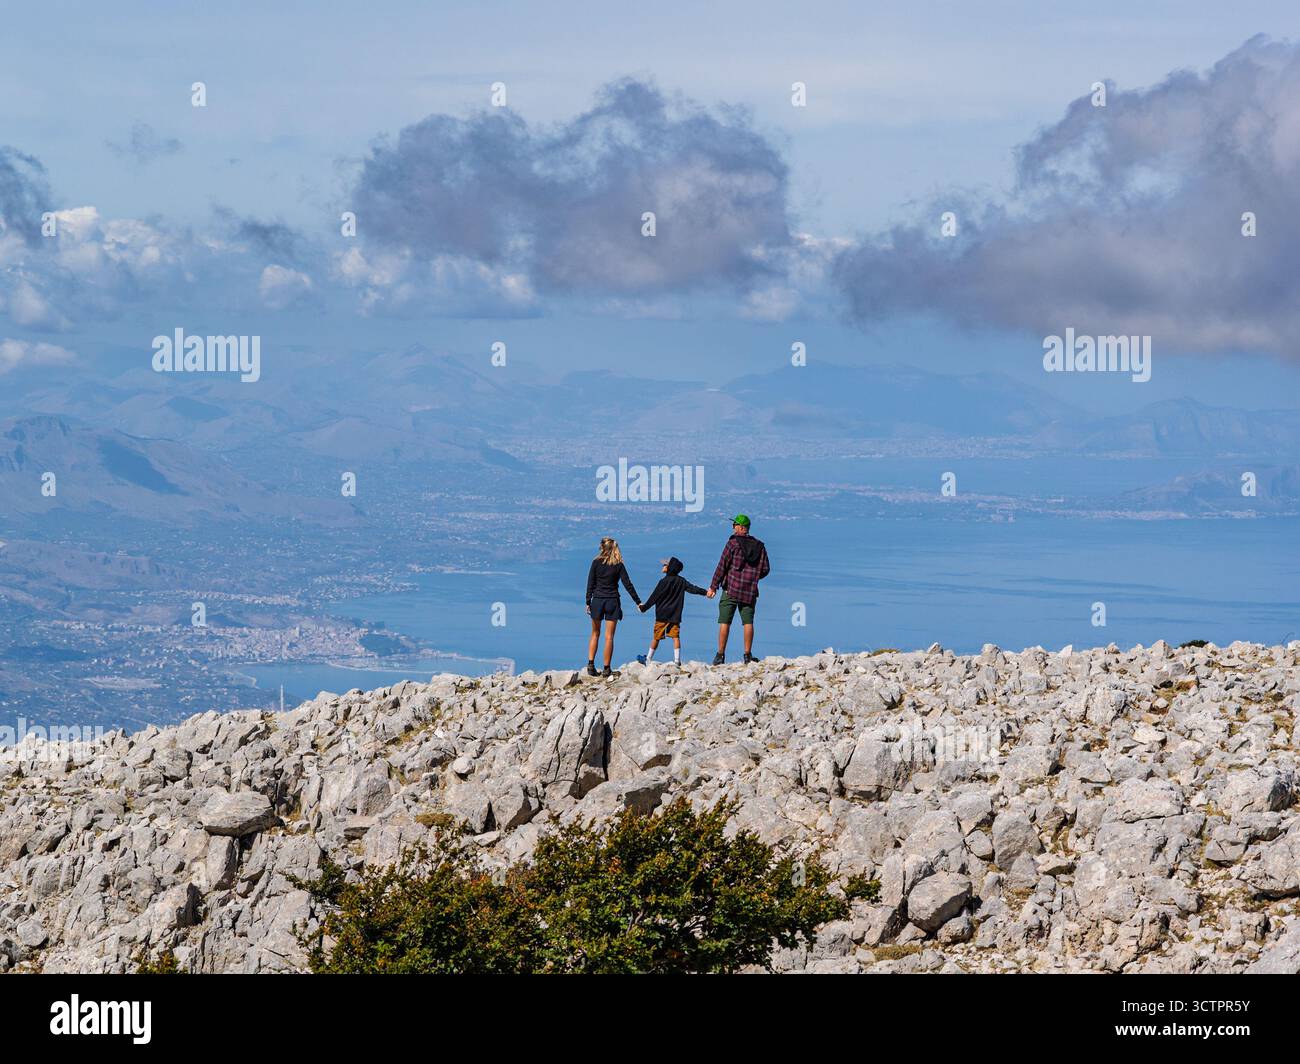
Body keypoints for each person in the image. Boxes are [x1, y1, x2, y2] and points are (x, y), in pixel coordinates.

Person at [709, 514, 770, 665]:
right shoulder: (760, 546)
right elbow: (766, 569)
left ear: (742, 527)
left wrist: (713, 586)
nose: (733, 527)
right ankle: (747, 656)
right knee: (748, 622)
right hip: (749, 591)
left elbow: (722, 565)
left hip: (731, 588)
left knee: (725, 622)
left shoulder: (732, 544)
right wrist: (753, 578)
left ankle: (720, 655)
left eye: (735, 524)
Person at [636, 557, 710, 667]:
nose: (663, 566)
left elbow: (654, 597)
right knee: (675, 637)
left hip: (662, 615)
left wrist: (644, 608)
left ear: (670, 568)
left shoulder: (663, 582)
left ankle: (648, 659)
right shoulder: (681, 581)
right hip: (675, 615)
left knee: (656, 637)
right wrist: (706, 592)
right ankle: (677, 661)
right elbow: (693, 589)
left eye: (665, 565)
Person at [584, 537, 641, 677]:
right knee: (609, 637)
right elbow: (628, 584)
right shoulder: (618, 565)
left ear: (602, 548)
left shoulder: (595, 562)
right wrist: (637, 601)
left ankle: (591, 665)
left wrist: (587, 601)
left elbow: (590, 583)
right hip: (612, 602)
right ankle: (606, 669)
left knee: (595, 633)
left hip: (597, 600)